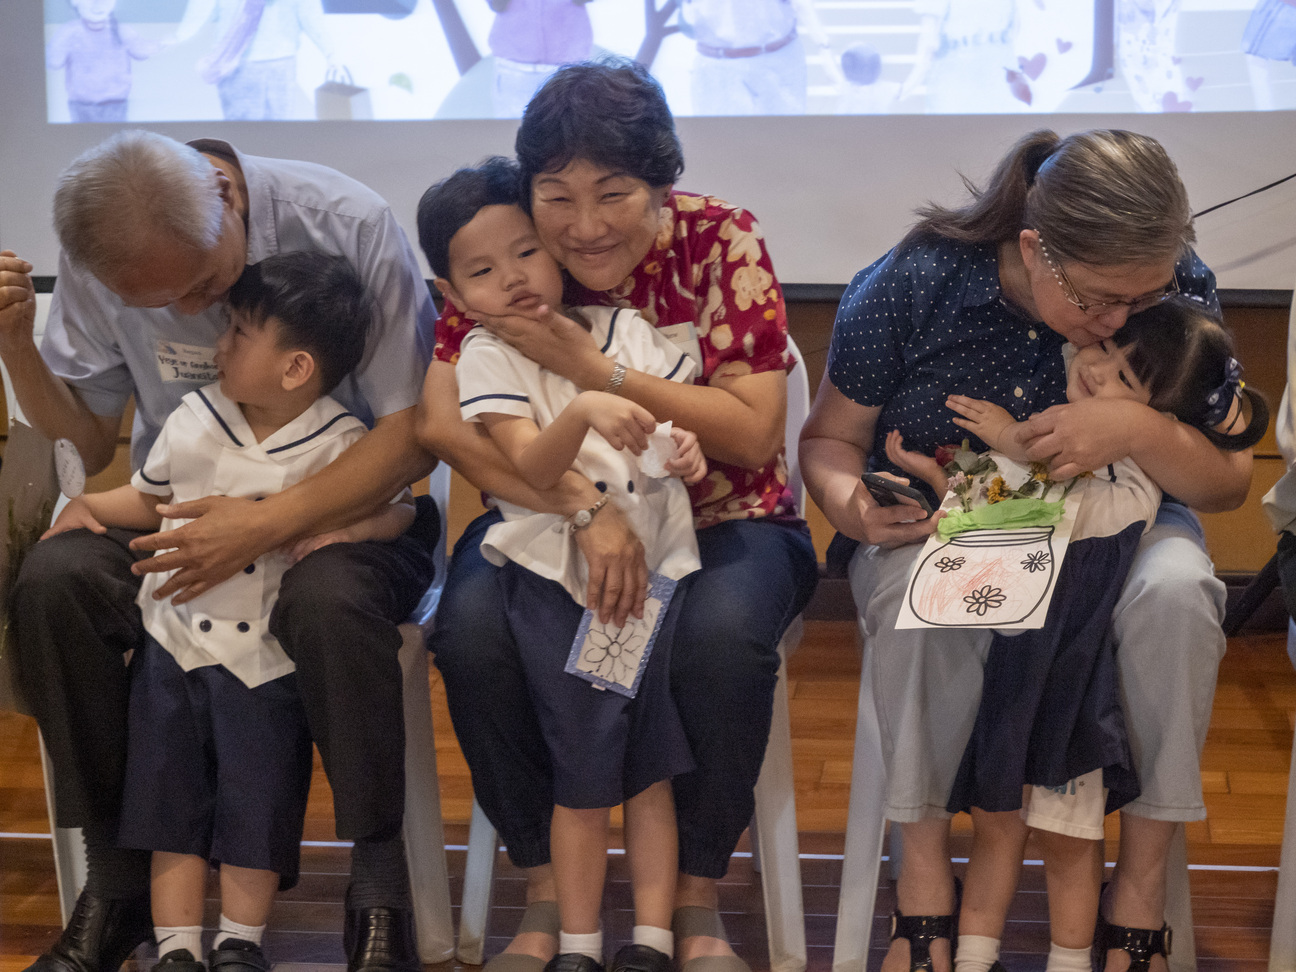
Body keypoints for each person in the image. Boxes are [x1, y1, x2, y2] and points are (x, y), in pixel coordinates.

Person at [799, 128, 1252, 972]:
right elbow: (827, 440)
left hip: (1123, 530)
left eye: (1143, 298)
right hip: (957, 524)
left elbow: (1225, 483)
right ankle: (925, 884)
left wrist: (1137, 426)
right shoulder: (921, 278)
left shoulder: (1176, 285)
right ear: (1036, 248)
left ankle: (1141, 893)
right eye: (1100, 301)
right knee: (916, 601)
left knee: (1181, 594)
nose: (1122, 322)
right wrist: (854, 508)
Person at [0, 129, 437, 972]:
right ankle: (119, 878)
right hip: (179, 501)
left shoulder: (347, 222)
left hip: (344, 512)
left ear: (227, 198)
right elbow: (87, 442)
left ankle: (378, 888)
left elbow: (411, 433)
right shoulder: (101, 254)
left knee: (329, 599)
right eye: (164, 301)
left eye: (206, 285)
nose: (200, 316)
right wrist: (18, 345)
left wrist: (268, 523)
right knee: (53, 585)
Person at [417, 58, 818, 972]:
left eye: (615, 193)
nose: (584, 227)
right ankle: (551, 882)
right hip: (542, 517)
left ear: (662, 180)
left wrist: (600, 373)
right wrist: (585, 507)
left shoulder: (720, 241)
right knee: (471, 632)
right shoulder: (511, 248)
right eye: (558, 196)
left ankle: (694, 891)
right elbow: (444, 423)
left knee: (719, 639)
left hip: (725, 517)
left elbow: (755, 436)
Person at [884, 296, 1267, 972]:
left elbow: (1046, 467)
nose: (1094, 371)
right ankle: (968, 945)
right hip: (1018, 652)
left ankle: (1084, 943)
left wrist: (1019, 439)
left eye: (1123, 379)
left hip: (1067, 668)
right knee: (999, 818)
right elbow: (1005, 496)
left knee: (1068, 827)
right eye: (1101, 350)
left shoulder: (1128, 477)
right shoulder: (1049, 353)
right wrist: (951, 480)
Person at [420, 156, 710, 972]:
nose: (511, 278)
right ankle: (579, 943)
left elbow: (661, 438)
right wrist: (582, 404)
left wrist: (678, 450)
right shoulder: (485, 356)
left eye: (524, 252)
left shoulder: (630, 337)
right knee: (582, 762)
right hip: (555, 582)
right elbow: (535, 468)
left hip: (653, 577)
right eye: (482, 269)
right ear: (452, 294)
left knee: (651, 760)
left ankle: (650, 938)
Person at [169, 0, 344, 120]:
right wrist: (176, 37)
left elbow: (310, 15)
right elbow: (201, 9)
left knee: (277, 132)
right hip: (239, 66)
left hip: (278, 63)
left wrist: (331, 54)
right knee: (245, 135)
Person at [46, 0, 161, 123]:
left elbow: (141, 52)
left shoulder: (122, 30)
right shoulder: (69, 31)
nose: (98, 4)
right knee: (82, 138)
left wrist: (163, 43)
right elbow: (54, 62)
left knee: (117, 139)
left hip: (117, 103)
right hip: (81, 104)